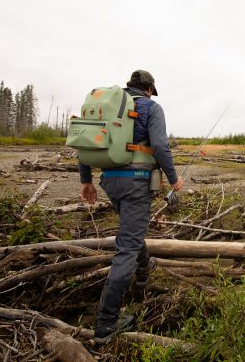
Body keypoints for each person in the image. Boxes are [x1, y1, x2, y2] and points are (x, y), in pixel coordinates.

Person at [78, 69, 183, 343]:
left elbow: (87, 140)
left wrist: (86, 180)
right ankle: (106, 324)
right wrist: (174, 179)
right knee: (127, 246)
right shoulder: (152, 107)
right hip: (136, 184)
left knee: (131, 232)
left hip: (110, 182)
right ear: (149, 88)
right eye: (152, 91)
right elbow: (160, 146)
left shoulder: (110, 107)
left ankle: (144, 272)